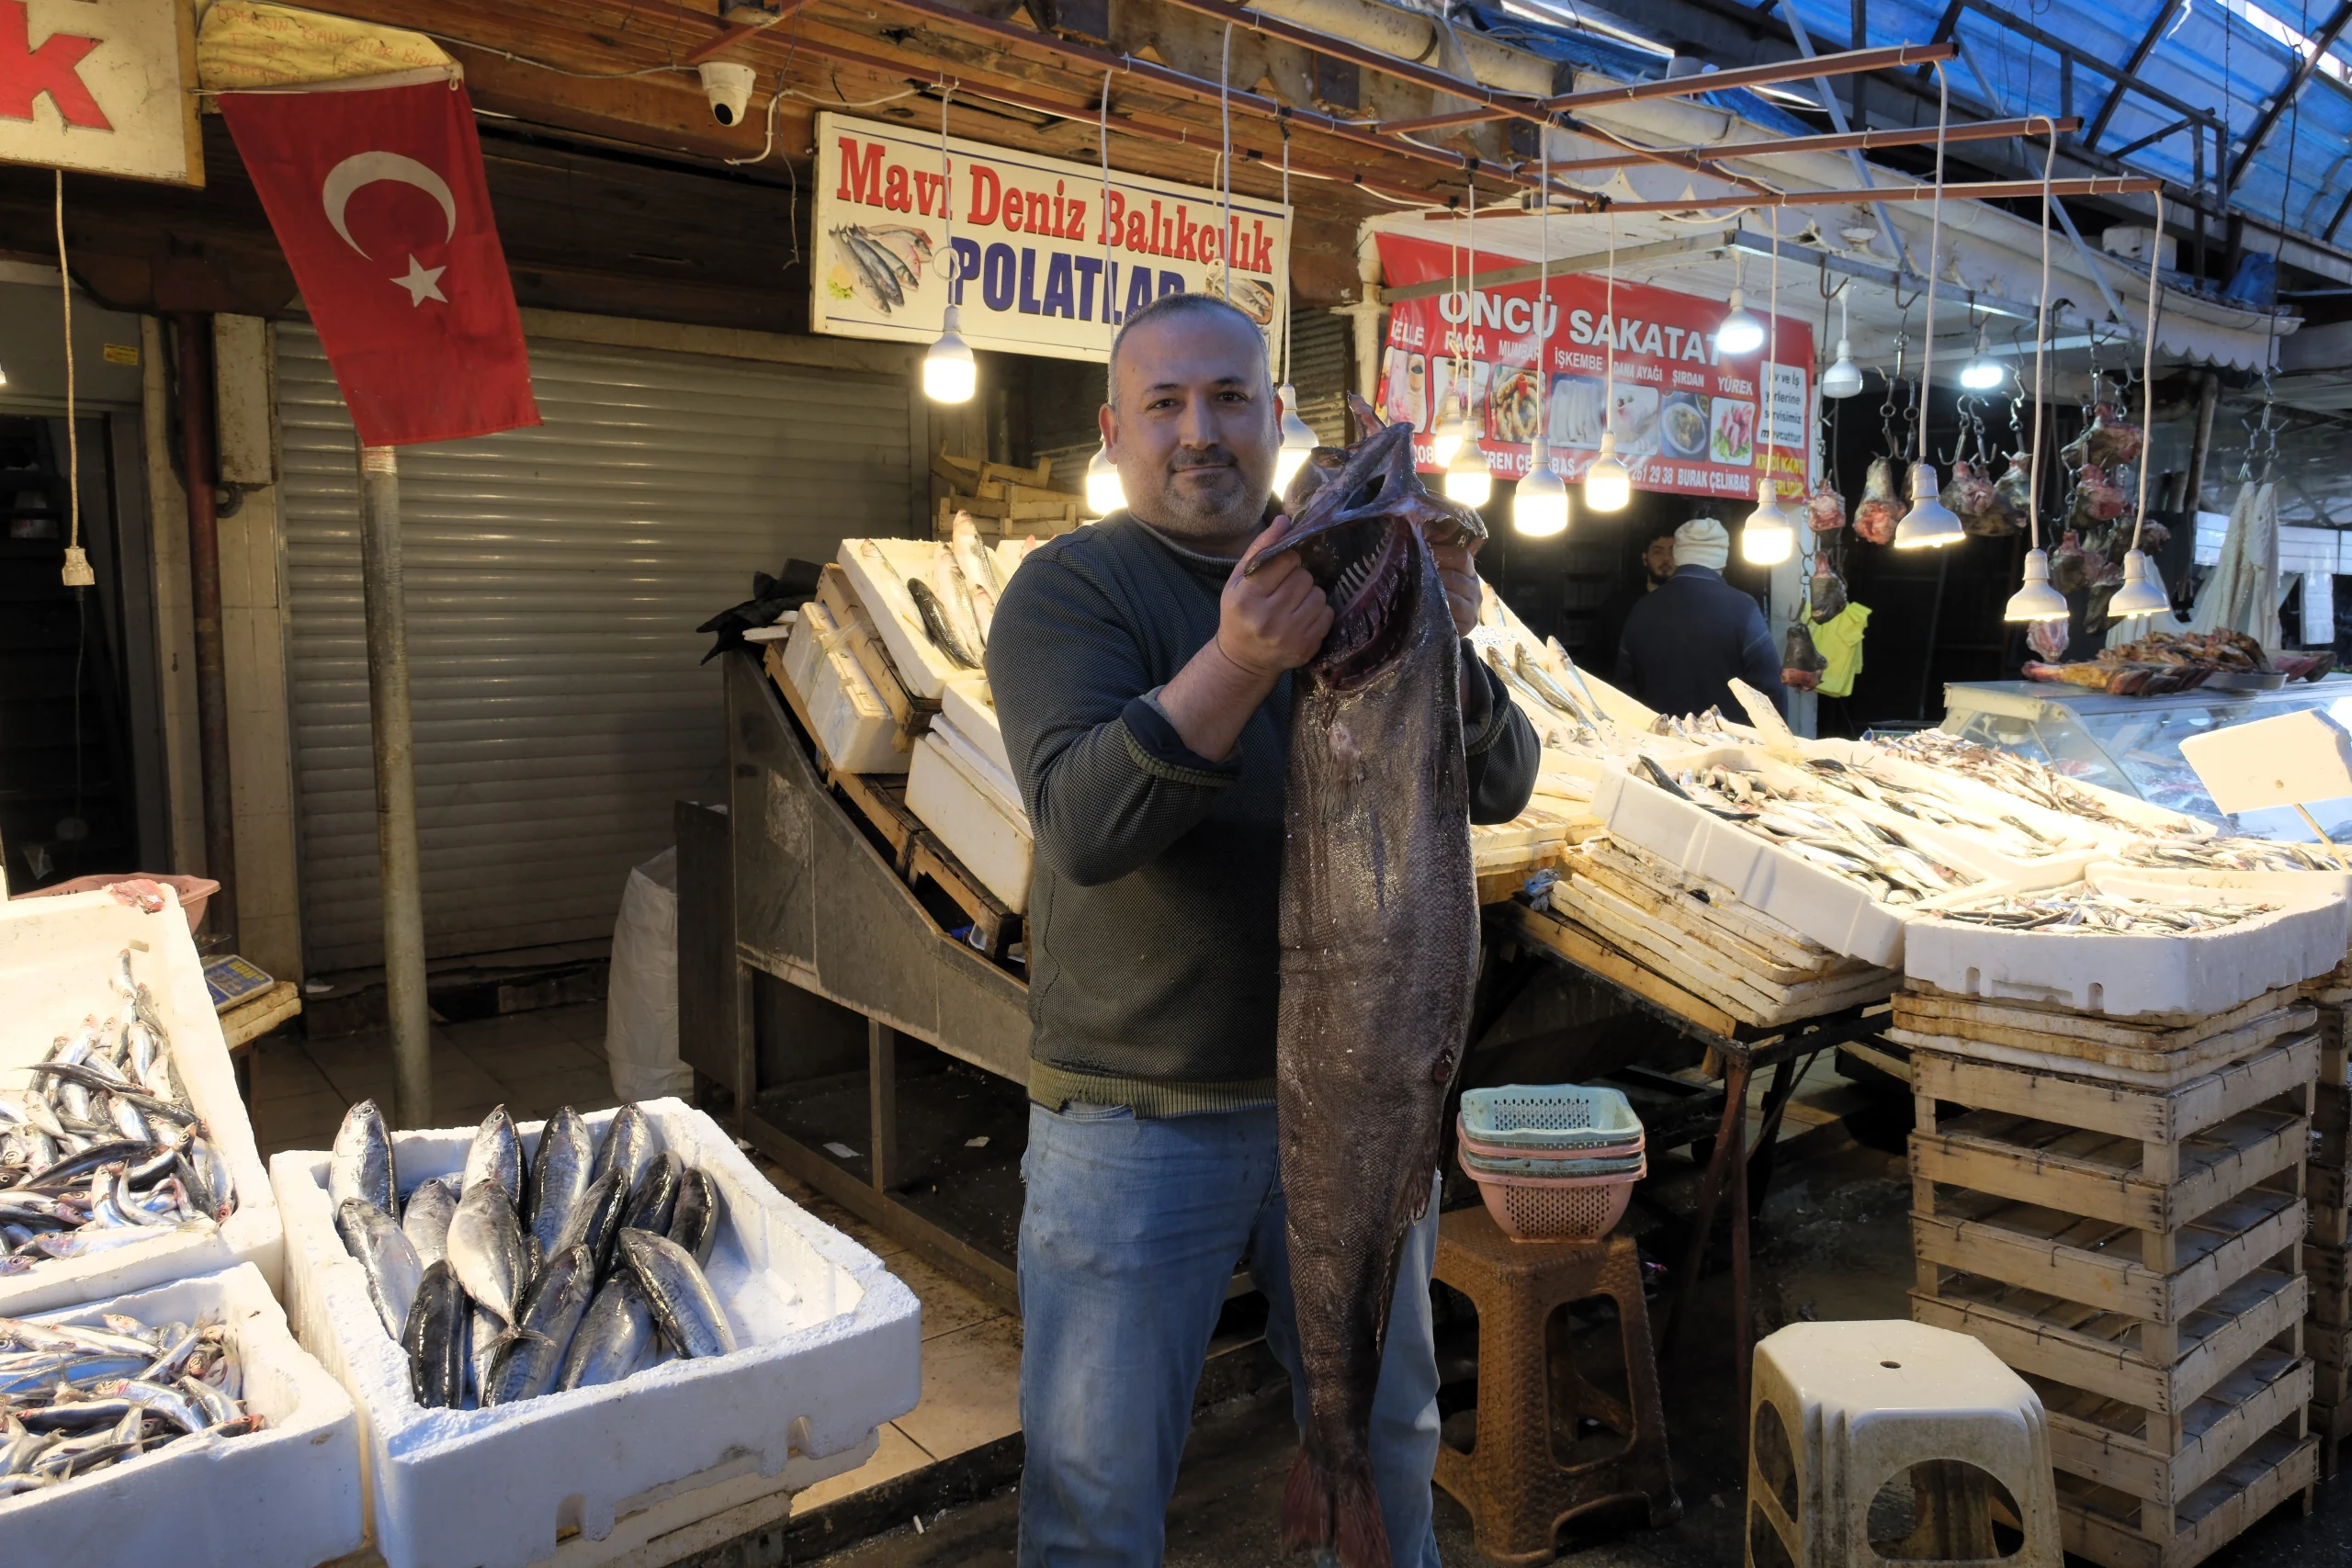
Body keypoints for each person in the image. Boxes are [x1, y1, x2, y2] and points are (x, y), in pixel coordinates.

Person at [985, 291, 1541, 1568]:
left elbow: (1500, 781)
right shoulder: (1071, 592)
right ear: (1114, 430)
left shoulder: (1355, 559)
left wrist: (1451, 634)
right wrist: (1237, 661)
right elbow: (1081, 824)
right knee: (1093, 1488)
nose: (1200, 431)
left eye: (1230, 397)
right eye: (1166, 403)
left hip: (1359, 1114)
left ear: (1275, 418)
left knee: (1389, 1437)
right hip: (1137, 1118)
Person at [1616, 516, 1788, 717]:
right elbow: (1770, 689)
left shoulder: (1642, 608)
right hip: (1729, 743)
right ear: (1722, 564)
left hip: (1660, 742)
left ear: (1677, 558)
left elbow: (1623, 688)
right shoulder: (1743, 608)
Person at [1591, 523, 1679, 682]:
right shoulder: (1618, 606)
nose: (1666, 558)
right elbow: (1596, 659)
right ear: (1645, 558)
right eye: (1658, 551)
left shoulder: (1690, 606)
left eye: (1673, 551)